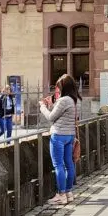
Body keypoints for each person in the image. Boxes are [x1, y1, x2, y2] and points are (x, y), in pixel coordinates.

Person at [39, 74, 80, 206]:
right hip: (69, 135)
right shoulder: (74, 100)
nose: (57, 89)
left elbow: (51, 117)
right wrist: (53, 104)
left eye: (59, 86)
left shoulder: (64, 100)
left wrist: (43, 107)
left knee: (58, 165)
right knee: (69, 164)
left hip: (59, 136)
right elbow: (61, 115)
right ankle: (68, 193)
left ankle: (61, 195)